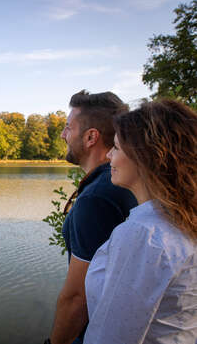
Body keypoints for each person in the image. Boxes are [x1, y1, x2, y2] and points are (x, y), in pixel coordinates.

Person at [84, 100, 197, 343]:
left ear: (144, 156)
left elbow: (111, 337)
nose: (108, 155)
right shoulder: (183, 219)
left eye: (116, 147)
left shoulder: (145, 234)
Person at [47, 90, 137, 344]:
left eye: (68, 128)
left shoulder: (96, 198)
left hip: (97, 333)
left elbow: (78, 297)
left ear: (90, 137)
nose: (63, 135)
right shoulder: (122, 182)